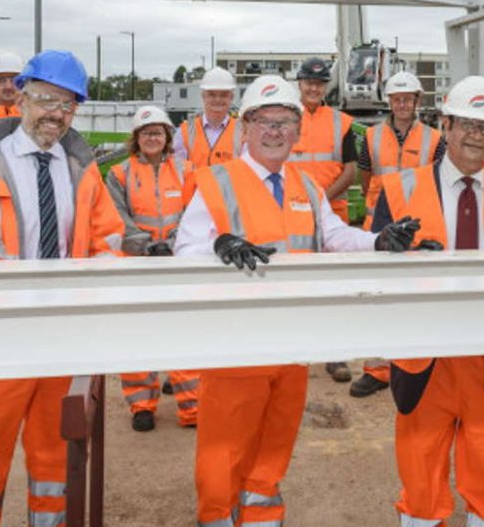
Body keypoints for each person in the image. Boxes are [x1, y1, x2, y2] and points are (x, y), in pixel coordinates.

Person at [174, 74, 421, 527]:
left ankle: (262, 519)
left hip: (291, 344)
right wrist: (218, 246)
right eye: (264, 121)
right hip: (235, 346)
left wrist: (378, 240)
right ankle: (217, 518)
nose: (275, 131)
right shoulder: (214, 182)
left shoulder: (305, 186)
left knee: (274, 445)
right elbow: (185, 250)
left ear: (297, 131)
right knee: (222, 451)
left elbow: (334, 236)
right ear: (245, 127)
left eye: (285, 122)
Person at [0, 50, 125, 527]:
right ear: (20, 96)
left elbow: (106, 240)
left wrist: (98, 290)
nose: (55, 114)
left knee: (56, 466)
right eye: (45, 99)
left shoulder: (82, 170)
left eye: (67, 105)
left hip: (60, 339)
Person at [372, 75, 484, 527]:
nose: (476, 136)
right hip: (425, 351)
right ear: (445, 125)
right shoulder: (400, 188)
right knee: (420, 467)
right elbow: (375, 265)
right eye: (467, 124)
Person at [349, 70, 443, 399]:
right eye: (397, 98)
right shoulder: (372, 137)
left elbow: (439, 178)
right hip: (380, 224)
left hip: (421, 223)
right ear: (389, 101)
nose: (402, 104)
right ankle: (377, 369)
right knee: (379, 296)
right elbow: (365, 175)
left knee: (421, 295)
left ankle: (414, 363)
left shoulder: (435, 138)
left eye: (408, 98)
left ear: (417, 101)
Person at [107, 104, 199, 431]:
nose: (152, 138)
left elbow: (193, 213)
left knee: (184, 332)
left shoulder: (187, 170)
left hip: (178, 264)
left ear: (167, 136)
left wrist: (172, 244)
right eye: (146, 133)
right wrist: (146, 245)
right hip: (137, 266)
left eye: (157, 132)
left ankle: (191, 406)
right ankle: (142, 405)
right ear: (136, 137)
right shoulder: (119, 174)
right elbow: (117, 218)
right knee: (138, 334)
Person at [288, 57, 359, 382]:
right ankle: (292, 353)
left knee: (333, 288)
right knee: (291, 285)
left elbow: (351, 169)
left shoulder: (342, 122)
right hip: (291, 215)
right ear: (299, 83)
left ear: (326, 86)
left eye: (319, 83)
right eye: (308, 82)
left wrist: (322, 201)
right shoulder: (285, 118)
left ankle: (335, 354)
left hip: (332, 212)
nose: (313, 88)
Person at [173, 66, 241, 166]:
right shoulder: (184, 132)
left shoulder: (243, 132)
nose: (217, 100)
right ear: (203, 96)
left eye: (224, 95)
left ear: (231, 98)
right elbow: (177, 172)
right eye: (212, 94)